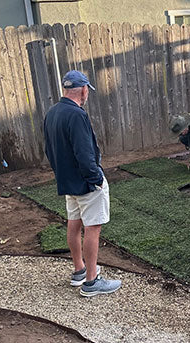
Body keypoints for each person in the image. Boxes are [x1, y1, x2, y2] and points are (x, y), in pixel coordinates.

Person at [44, 70, 121, 297]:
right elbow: (85, 154)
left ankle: (79, 270)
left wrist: (62, 174)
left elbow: (48, 150)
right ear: (84, 89)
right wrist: (96, 179)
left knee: (74, 223)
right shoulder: (77, 115)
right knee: (93, 228)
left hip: (68, 182)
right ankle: (91, 282)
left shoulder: (52, 113)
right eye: (88, 90)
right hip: (86, 183)